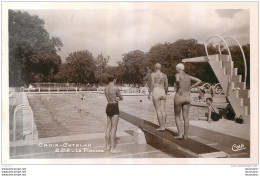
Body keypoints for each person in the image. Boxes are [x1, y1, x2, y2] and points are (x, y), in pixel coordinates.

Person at [174, 63, 201, 139]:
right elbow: (199, 81)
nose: (175, 69)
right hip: (187, 96)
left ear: (178, 68)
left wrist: (177, 87)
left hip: (180, 96)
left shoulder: (177, 74)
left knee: (177, 116)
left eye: (176, 68)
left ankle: (180, 134)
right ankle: (185, 135)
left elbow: (177, 80)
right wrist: (191, 87)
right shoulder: (189, 76)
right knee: (186, 117)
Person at [104, 76, 123, 154]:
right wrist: (118, 98)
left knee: (108, 127)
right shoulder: (115, 88)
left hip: (108, 106)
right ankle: (113, 149)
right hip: (114, 106)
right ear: (114, 80)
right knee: (114, 128)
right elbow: (121, 97)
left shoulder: (106, 88)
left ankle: (107, 146)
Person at [148, 63, 168, 131]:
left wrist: (149, 92)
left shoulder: (153, 74)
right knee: (163, 110)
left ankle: (161, 127)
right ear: (160, 67)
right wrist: (166, 92)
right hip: (163, 91)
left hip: (156, 91)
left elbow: (152, 84)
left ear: (155, 68)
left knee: (158, 110)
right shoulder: (165, 75)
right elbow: (166, 85)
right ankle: (164, 126)